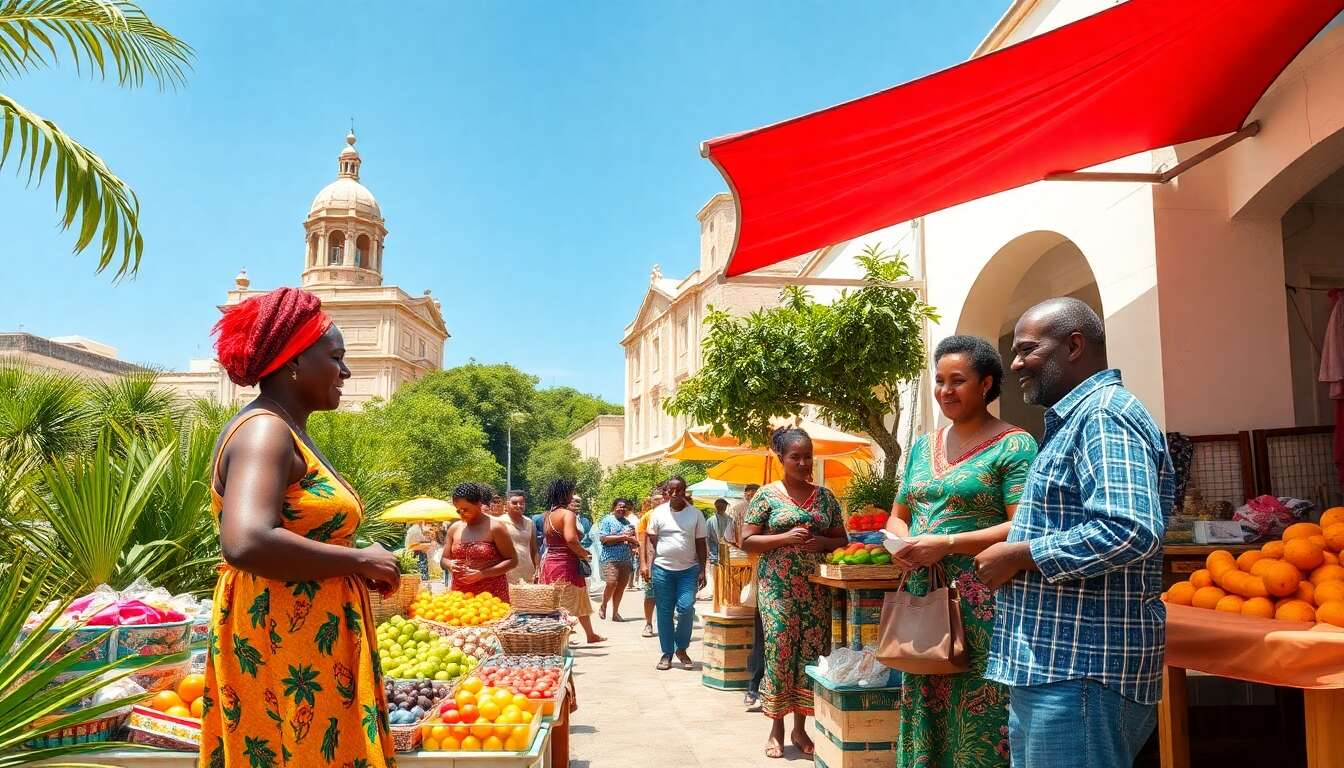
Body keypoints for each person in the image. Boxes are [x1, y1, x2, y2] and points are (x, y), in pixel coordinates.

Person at [202, 287, 398, 766]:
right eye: (336, 358)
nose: (346, 372)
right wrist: (359, 559)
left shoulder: (287, 428)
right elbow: (246, 541)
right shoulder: (265, 431)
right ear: (294, 362)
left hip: (308, 635)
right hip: (283, 642)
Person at [973, 297, 1172, 768]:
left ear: (1075, 345)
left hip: (1080, 675)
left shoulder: (1104, 415)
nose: (1015, 363)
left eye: (1026, 349)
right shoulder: (1078, 419)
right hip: (1060, 671)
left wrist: (1020, 556)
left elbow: (1129, 529)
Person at [882, 335, 1037, 768]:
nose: (945, 391)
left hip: (983, 602)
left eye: (958, 381)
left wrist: (945, 543)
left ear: (986, 384)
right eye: (939, 381)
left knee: (981, 710)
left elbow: (1023, 524)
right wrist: (900, 540)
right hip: (924, 595)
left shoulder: (1014, 444)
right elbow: (898, 514)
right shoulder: (919, 447)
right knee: (925, 697)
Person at [741, 427, 847, 759]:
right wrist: (784, 538)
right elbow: (746, 540)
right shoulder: (766, 496)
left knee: (810, 655)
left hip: (815, 590)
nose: (803, 463)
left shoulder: (825, 497)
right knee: (779, 650)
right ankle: (776, 729)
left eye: (807, 457)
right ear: (781, 459)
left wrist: (822, 543)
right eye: (795, 457)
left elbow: (841, 539)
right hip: (777, 588)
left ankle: (801, 729)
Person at [643, 476, 708, 671]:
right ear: (666, 492)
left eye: (679, 490)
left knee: (686, 608)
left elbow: (700, 544)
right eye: (670, 490)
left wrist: (703, 569)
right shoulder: (658, 513)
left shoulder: (695, 514)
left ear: (684, 491)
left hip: (688, 570)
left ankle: (681, 648)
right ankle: (667, 653)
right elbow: (651, 541)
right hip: (663, 569)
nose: (674, 493)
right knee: (664, 611)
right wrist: (646, 564)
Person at [538, 478, 606, 644]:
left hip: (550, 563)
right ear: (565, 494)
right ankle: (561, 639)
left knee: (576, 599)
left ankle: (590, 635)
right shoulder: (567, 514)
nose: (573, 495)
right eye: (572, 492)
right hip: (565, 564)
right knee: (565, 602)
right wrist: (584, 554)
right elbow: (571, 540)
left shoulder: (548, 515)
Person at [442, 482, 517, 602]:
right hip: (461, 597)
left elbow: (512, 561)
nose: (461, 514)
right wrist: (450, 565)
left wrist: (482, 574)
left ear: (478, 504)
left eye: (465, 509)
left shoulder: (495, 527)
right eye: (458, 510)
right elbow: (444, 560)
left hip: (491, 597)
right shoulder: (454, 528)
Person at [736, 483, 766, 710]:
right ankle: (754, 687)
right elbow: (744, 543)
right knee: (762, 639)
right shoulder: (746, 514)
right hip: (765, 583)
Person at [596, 498, 638, 620]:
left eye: (624, 507)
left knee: (621, 587)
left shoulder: (628, 523)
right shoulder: (607, 520)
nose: (622, 509)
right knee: (611, 583)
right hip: (610, 558)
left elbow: (633, 541)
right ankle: (603, 605)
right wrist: (624, 537)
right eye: (619, 506)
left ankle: (615, 612)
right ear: (614, 507)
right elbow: (604, 539)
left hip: (625, 558)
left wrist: (633, 542)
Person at [636, 486, 665, 638]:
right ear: (651, 501)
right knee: (650, 595)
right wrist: (644, 564)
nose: (659, 502)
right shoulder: (647, 517)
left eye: (661, 499)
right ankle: (648, 623)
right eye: (656, 500)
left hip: (669, 562)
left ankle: (665, 624)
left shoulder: (671, 514)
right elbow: (642, 542)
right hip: (652, 562)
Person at [501, 489, 539, 585]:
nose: (519, 506)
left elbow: (534, 549)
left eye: (521, 503)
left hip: (528, 573)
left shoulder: (530, 523)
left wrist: (538, 569)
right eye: (514, 503)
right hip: (507, 574)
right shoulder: (499, 522)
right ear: (507, 504)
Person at [704, 497, 733, 599]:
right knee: (714, 571)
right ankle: (714, 591)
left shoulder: (730, 520)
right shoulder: (710, 521)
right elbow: (706, 537)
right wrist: (707, 551)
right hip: (714, 551)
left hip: (728, 551)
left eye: (723, 505)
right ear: (716, 507)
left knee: (726, 571)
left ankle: (724, 591)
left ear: (725, 506)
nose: (721, 507)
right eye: (719, 505)